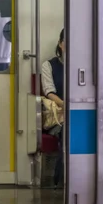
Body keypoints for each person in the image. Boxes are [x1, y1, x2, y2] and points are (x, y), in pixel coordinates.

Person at [41, 28, 65, 188]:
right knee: (67, 132)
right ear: (60, 44)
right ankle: (61, 179)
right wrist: (66, 105)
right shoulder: (49, 65)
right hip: (59, 116)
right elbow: (49, 92)